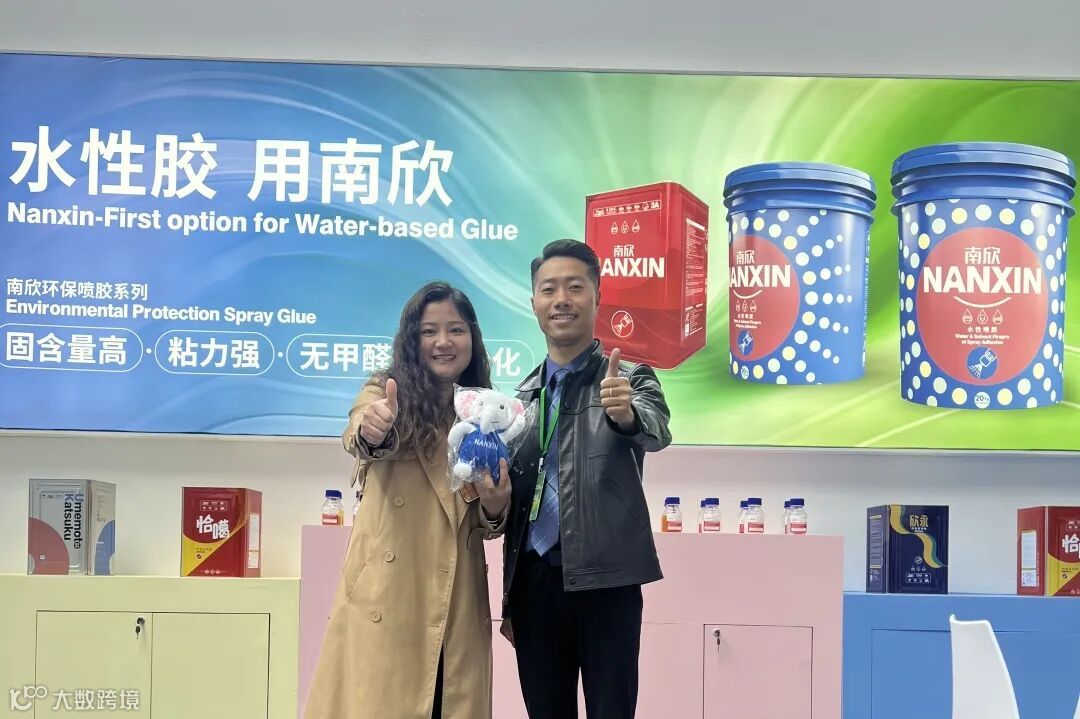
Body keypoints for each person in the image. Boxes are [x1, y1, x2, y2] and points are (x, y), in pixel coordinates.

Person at [305, 281, 511, 719]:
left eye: (455, 329)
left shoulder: (483, 412)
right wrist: (373, 429)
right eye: (428, 331)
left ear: (472, 338)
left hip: (456, 602)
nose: (442, 342)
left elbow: (488, 519)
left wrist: (497, 503)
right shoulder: (384, 392)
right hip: (389, 597)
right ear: (410, 340)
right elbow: (361, 431)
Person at [500, 239, 672, 718]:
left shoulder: (630, 379)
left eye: (575, 287)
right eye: (549, 289)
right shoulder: (520, 399)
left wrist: (626, 414)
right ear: (534, 303)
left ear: (597, 296)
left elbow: (656, 430)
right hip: (534, 582)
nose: (562, 299)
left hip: (607, 581)